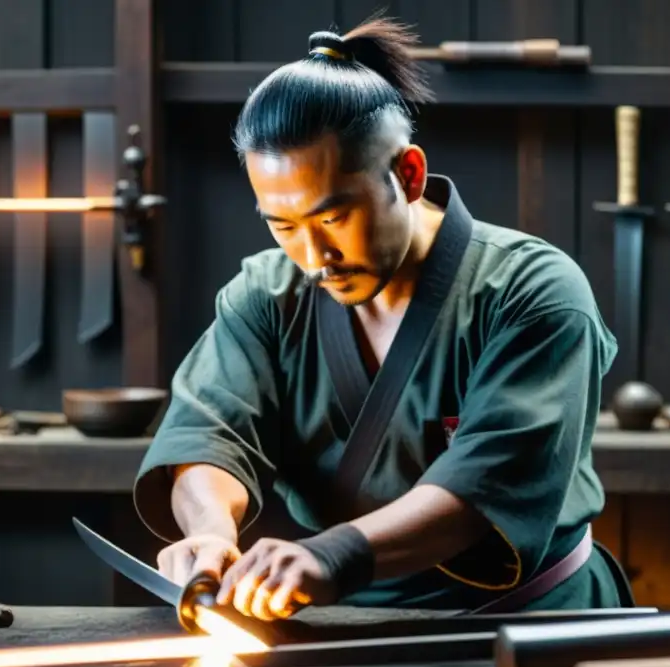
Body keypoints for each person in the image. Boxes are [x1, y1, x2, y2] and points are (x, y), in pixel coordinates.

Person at [134, 16, 629, 622]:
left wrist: (334, 555)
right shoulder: (265, 295)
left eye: (334, 218)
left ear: (409, 175)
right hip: (345, 622)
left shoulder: (533, 293)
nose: (315, 259)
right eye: (283, 226)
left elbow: (487, 485)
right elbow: (208, 432)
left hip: (528, 621)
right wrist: (209, 533)